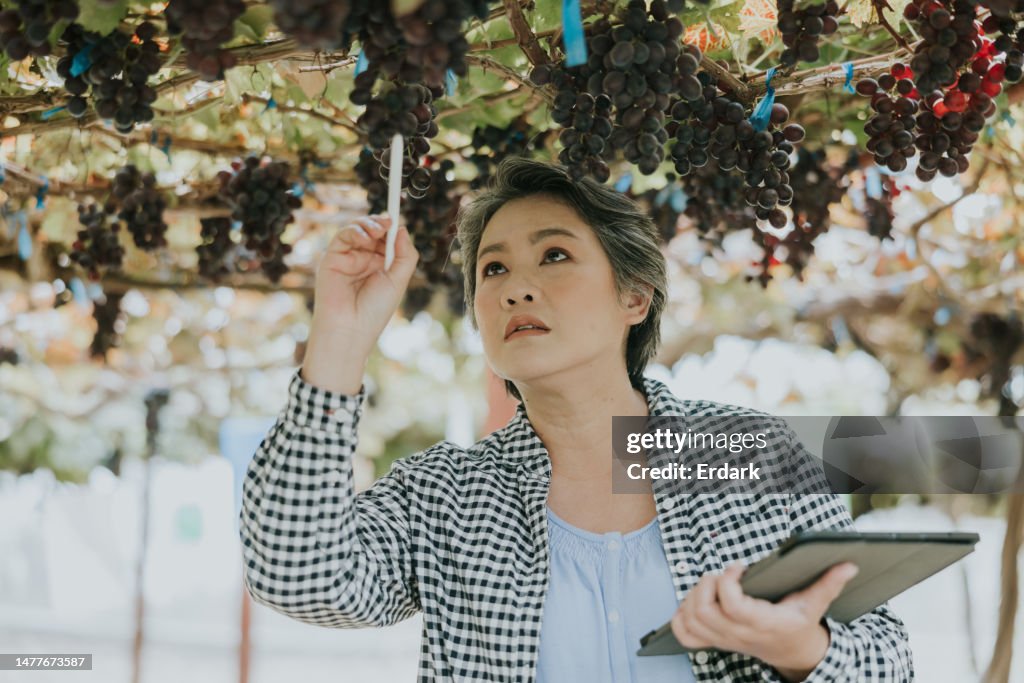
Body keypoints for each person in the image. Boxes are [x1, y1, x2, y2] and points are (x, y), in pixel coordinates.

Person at [238, 157, 914, 682]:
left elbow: (888, 660)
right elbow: (297, 575)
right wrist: (341, 335)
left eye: (554, 255)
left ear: (634, 296)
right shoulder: (447, 492)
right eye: (492, 268)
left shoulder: (745, 454)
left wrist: (802, 649)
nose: (516, 285)